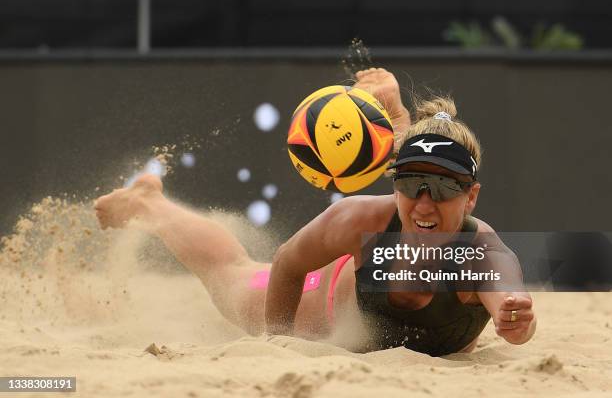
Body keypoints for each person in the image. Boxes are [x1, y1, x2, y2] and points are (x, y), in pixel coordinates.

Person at [94, 68, 536, 356]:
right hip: (320, 296)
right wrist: (275, 344)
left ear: (471, 197)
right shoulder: (362, 218)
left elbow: (509, 302)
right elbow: (287, 262)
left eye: (442, 190)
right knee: (232, 276)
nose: (424, 202)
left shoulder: (481, 252)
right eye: (408, 185)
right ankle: (148, 203)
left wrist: (514, 322)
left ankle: (396, 115)